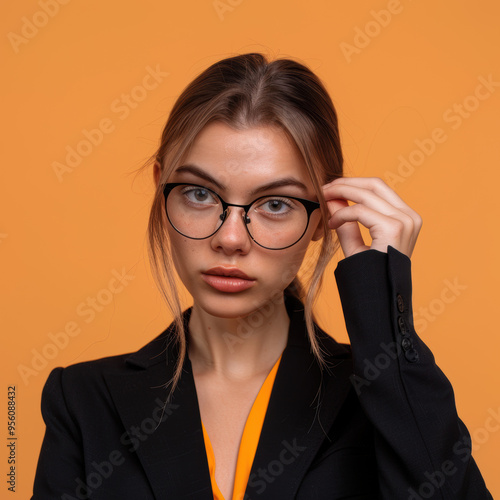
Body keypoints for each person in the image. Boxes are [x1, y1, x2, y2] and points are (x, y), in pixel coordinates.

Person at [31, 53, 492, 500]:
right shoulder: (82, 402)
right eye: (198, 194)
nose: (231, 238)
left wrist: (384, 302)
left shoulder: (382, 395)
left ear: (322, 217)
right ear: (160, 188)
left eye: (276, 204)